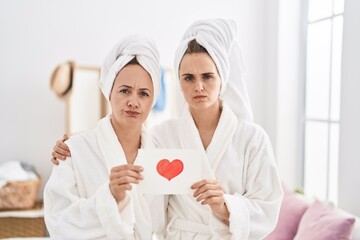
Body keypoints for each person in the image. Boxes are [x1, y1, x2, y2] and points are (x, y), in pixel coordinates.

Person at [52, 19, 283, 239]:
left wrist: (225, 206)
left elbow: (268, 207)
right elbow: (148, 211)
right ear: (179, 82)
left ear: (222, 77)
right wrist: (71, 147)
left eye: (208, 76)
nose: (199, 86)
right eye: (188, 78)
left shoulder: (253, 138)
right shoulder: (162, 137)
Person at [44, 34, 164, 239]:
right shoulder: (74, 151)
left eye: (143, 93)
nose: (134, 102)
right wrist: (109, 198)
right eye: (125, 91)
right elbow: (57, 219)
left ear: (152, 99)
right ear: (109, 92)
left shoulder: (161, 153)